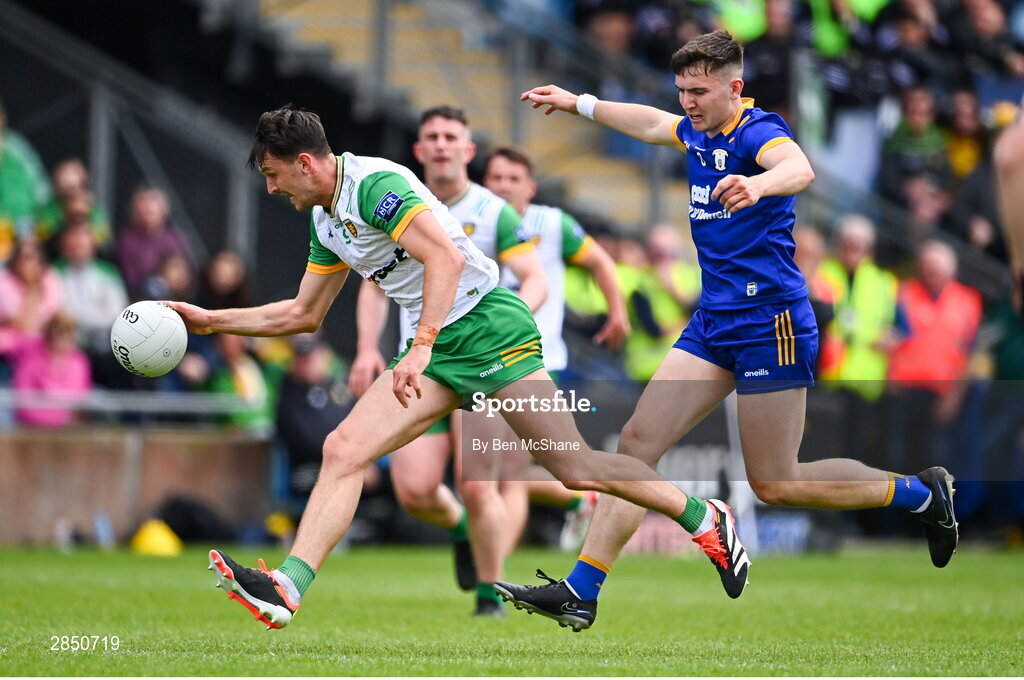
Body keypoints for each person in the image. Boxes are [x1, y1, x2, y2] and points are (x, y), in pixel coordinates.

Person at [167, 105, 721, 633]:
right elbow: (302, 313)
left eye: (273, 173)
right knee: (343, 449)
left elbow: (447, 259)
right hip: (439, 348)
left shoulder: (374, 187)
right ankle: (287, 587)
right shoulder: (326, 220)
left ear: (305, 162)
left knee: (573, 468)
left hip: (487, 326)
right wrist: (211, 320)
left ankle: (702, 517)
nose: (270, 187)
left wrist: (421, 346)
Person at [496, 30, 959, 632]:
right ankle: (583, 590)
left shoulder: (757, 130)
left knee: (776, 482)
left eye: (700, 91)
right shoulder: (694, 127)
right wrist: (578, 102)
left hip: (773, 323)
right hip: (715, 320)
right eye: (683, 90)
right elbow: (647, 122)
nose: (688, 102)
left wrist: (758, 184)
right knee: (636, 444)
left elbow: (799, 167)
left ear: (734, 88)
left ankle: (921, 495)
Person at [347, 106, 548, 617]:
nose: (440, 144)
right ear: (418, 151)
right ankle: (462, 531)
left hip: (479, 358)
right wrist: (367, 347)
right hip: (422, 366)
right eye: (430, 136)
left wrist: (513, 320)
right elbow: (372, 286)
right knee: (413, 491)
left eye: (450, 136)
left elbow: (534, 277)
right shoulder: (397, 201)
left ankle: (491, 597)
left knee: (477, 483)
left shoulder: (494, 210)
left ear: (468, 149)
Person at [482, 145, 630, 551]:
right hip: (480, 362)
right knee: (493, 471)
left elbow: (600, 261)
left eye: (513, 179)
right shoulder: (473, 220)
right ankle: (584, 497)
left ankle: (490, 577)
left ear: (530, 187)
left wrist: (617, 312)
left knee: (506, 473)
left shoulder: (551, 223)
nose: (504, 186)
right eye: (496, 178)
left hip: (539, 363)